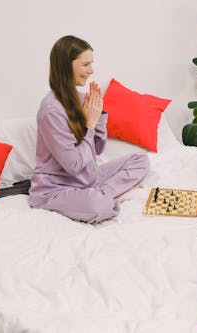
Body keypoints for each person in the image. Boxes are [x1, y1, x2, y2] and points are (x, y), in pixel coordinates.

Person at [29, 35, 149, 224]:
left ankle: (104, 194)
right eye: (85, 65)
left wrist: (98, 116)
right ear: (66, 65)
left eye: (91, 64)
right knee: (98, 206)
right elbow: (73, 165)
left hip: (87, 179)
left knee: (140, 160)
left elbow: (98, 149)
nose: (91, 71)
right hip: (55, 190)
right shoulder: (51, 110)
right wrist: (90, 125)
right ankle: (112, 195)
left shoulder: (81, 98)